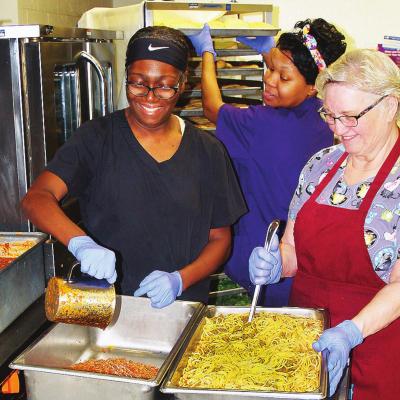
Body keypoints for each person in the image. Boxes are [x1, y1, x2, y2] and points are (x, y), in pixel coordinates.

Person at [21, 26, 247, 308]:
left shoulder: (208, 151)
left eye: (164, 85)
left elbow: (220, 238)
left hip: (183, 307)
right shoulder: (97, 138)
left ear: (183, 82)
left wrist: (180, 279)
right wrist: (81, 243)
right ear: (126, 77)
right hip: (108, 309)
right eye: (138, 83)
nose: (150, 97)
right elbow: (36, 198)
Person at [249, 49, 400, 399]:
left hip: (379, 351)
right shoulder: (321, 166)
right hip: (307, 343)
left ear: (390, 105)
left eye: (350, 116)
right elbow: (292, 249)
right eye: (330, 115)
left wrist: (351, 332)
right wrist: (276, 264)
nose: (337, 129)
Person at [189, 19, 346, 306]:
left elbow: (211, 108)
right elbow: (292, 82)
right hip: (302, 255)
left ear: (313, 87)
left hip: (265, 255)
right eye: (270, 68)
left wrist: (206, 52)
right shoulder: (321, 116)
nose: (270, 80)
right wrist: (270, 53)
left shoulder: (262, 124)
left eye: (283, 77)